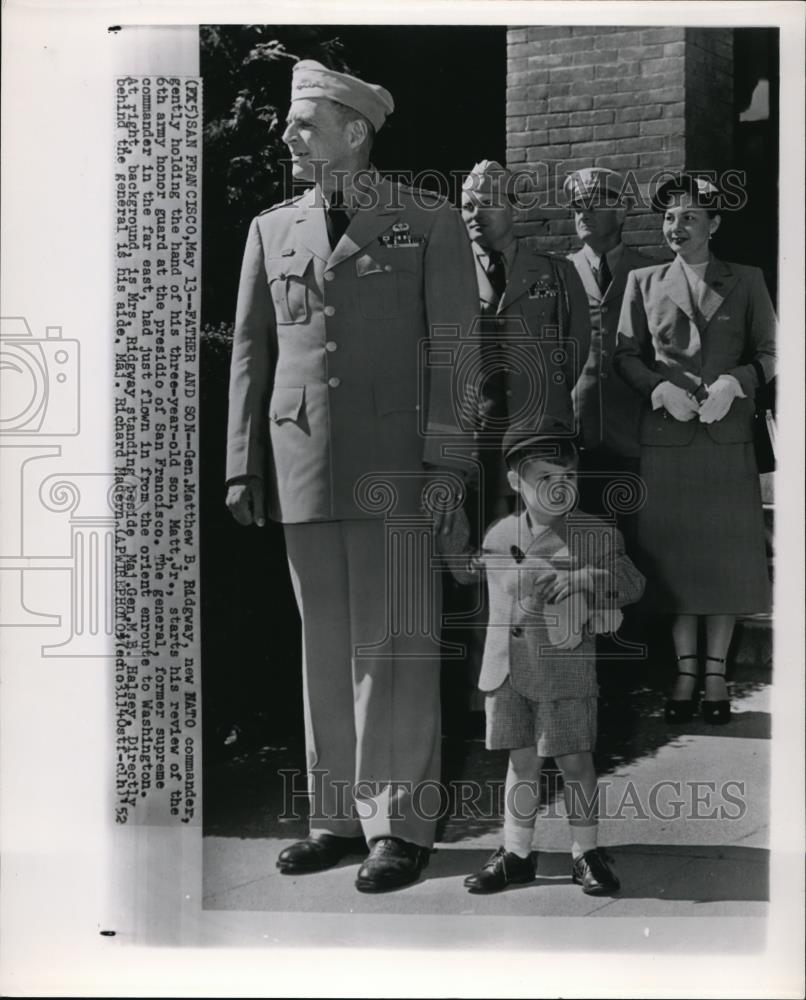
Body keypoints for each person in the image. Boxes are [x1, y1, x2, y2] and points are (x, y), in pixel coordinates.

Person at [225, 59, 479, 891]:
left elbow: (456, 355)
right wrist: (240, 465)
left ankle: (401, 826)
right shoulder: (272, 229)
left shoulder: (426, 220)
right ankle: (334, 816)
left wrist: (447, 463)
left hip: (399, 470)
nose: (289, 135)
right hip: (303, 464)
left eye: (305, 123)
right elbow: (252, 351)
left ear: (355, 131)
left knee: (397, 649)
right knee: (325, 647)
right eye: (291, 123)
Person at [450, 420, 645, 895]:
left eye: (569, 478)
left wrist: (586, 579)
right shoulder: (500, 533)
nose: (560, 489)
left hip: (564, 673)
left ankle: (585, 851)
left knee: (576, 761)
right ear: (516, 482)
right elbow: (467, 571)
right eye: (545, 479)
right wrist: (447, 522)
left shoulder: (594, 533)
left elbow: (633, 584)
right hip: (508, 674)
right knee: (521, 764)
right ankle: (516, 853)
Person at [613, 173, 776, 725]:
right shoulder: (643, 280)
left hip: (725, 439)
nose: (675, 227)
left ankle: (715, 673)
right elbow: (624, 355)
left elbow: (773, 353)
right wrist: (657, 389)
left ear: (713, 224)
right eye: (668, 218)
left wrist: (738, 382)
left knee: (724, 561)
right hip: (671, 439)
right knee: (679, 564)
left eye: (687, 217)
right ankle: (685, 672)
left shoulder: (747, 280)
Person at [460, 160, 591, 531]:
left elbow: (575, 347)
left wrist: (543, 395)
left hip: (542, 432)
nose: (475, 214)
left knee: (546, 544)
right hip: (477, 436)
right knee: (485, 545)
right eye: (468, 206)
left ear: (512, 207)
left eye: (487, 202)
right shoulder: (447, 274)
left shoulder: (556, 273)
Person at [564, 167, 655, 532]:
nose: (582, 212)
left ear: (621, 212)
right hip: (574, 439)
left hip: (634, 439)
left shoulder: (651, 273)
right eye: (576, 206)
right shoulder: (558, 273)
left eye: (594, 204)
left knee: (635, 549)